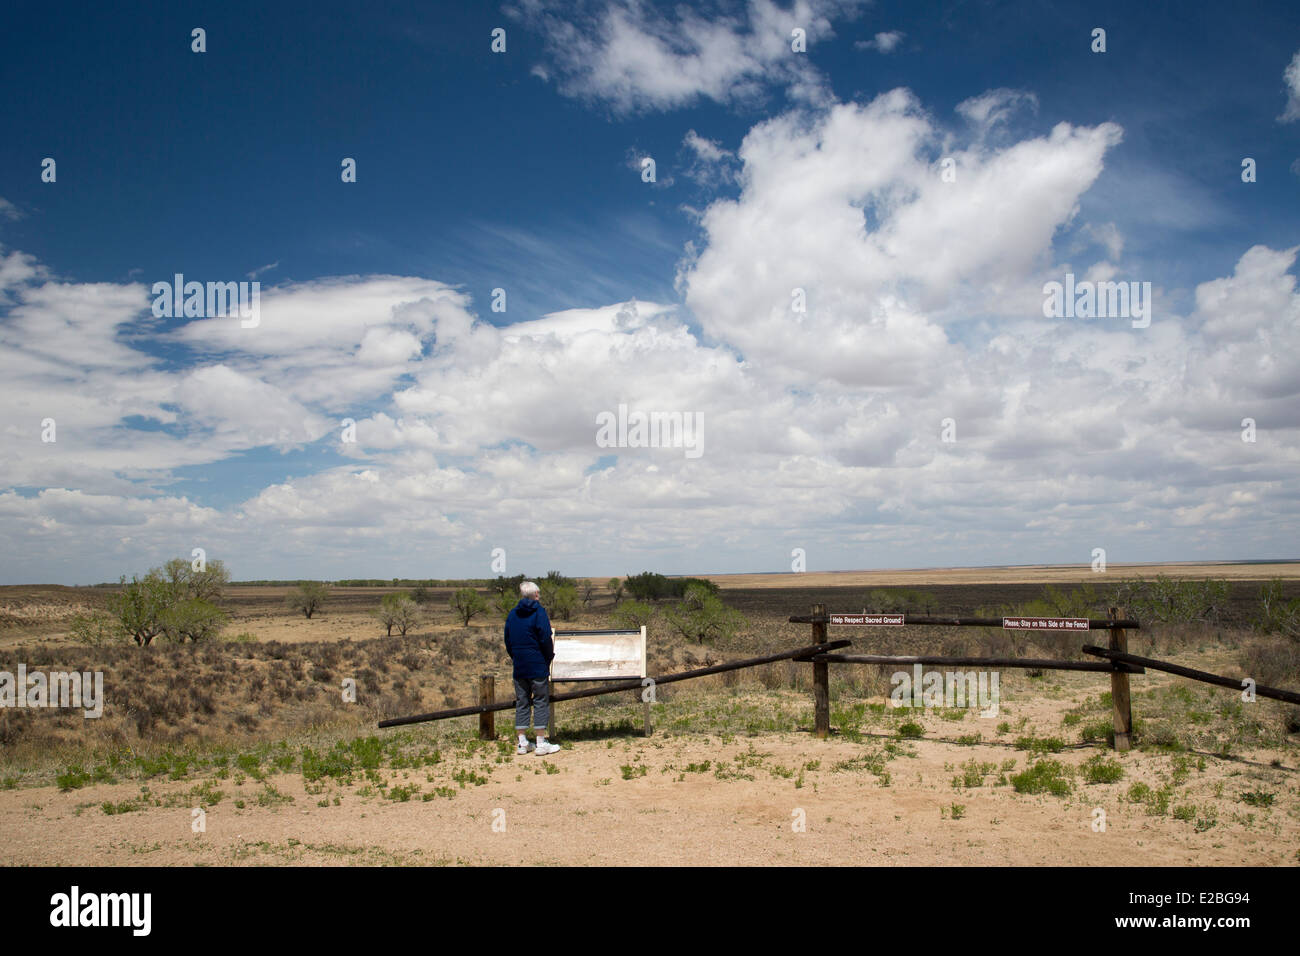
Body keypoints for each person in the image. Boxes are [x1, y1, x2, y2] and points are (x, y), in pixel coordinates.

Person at [504, 581, 560, 756]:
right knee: (541, 701)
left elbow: (508, 640)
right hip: (537, 664)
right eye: (539, 593)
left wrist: (516, 657)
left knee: (522, 702)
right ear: (535, 595)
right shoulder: (539, 612)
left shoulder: (512, 614)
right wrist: (548, 657)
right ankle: (541, 743)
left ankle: (522, 743)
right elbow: (545, 637)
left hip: (520, 665)